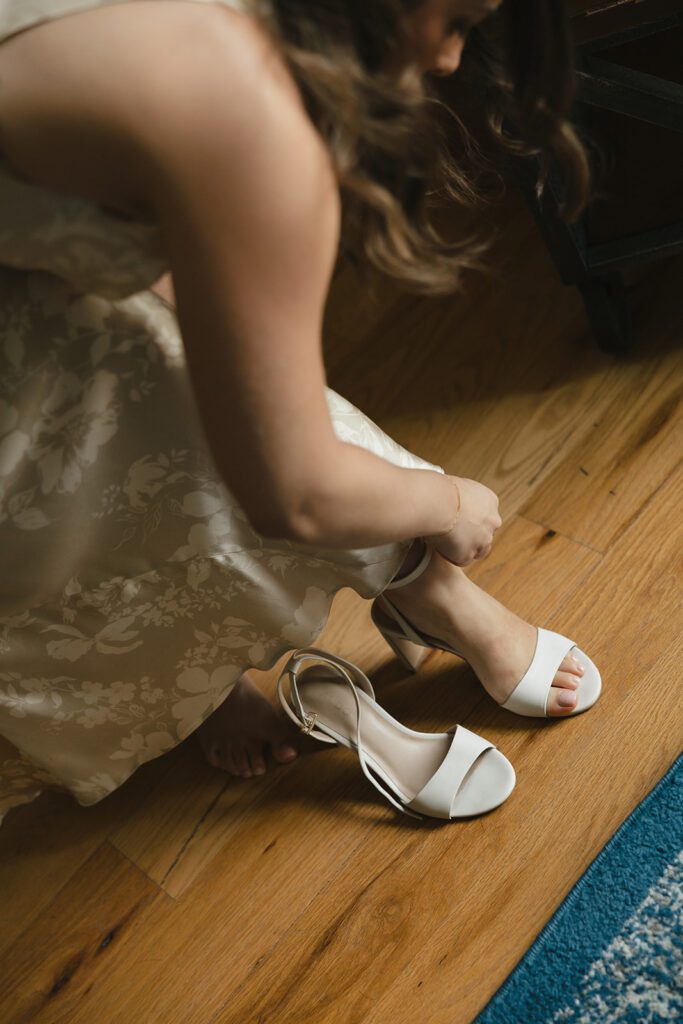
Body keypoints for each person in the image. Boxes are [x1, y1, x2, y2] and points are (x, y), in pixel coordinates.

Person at [0, 0, 595, 822]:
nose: (454, 60)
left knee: (170, 373)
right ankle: (414, 587)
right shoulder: (243, 119)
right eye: (456, 18)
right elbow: (297, 491)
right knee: (157, 437)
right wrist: (450, 502)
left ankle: (406, 594)